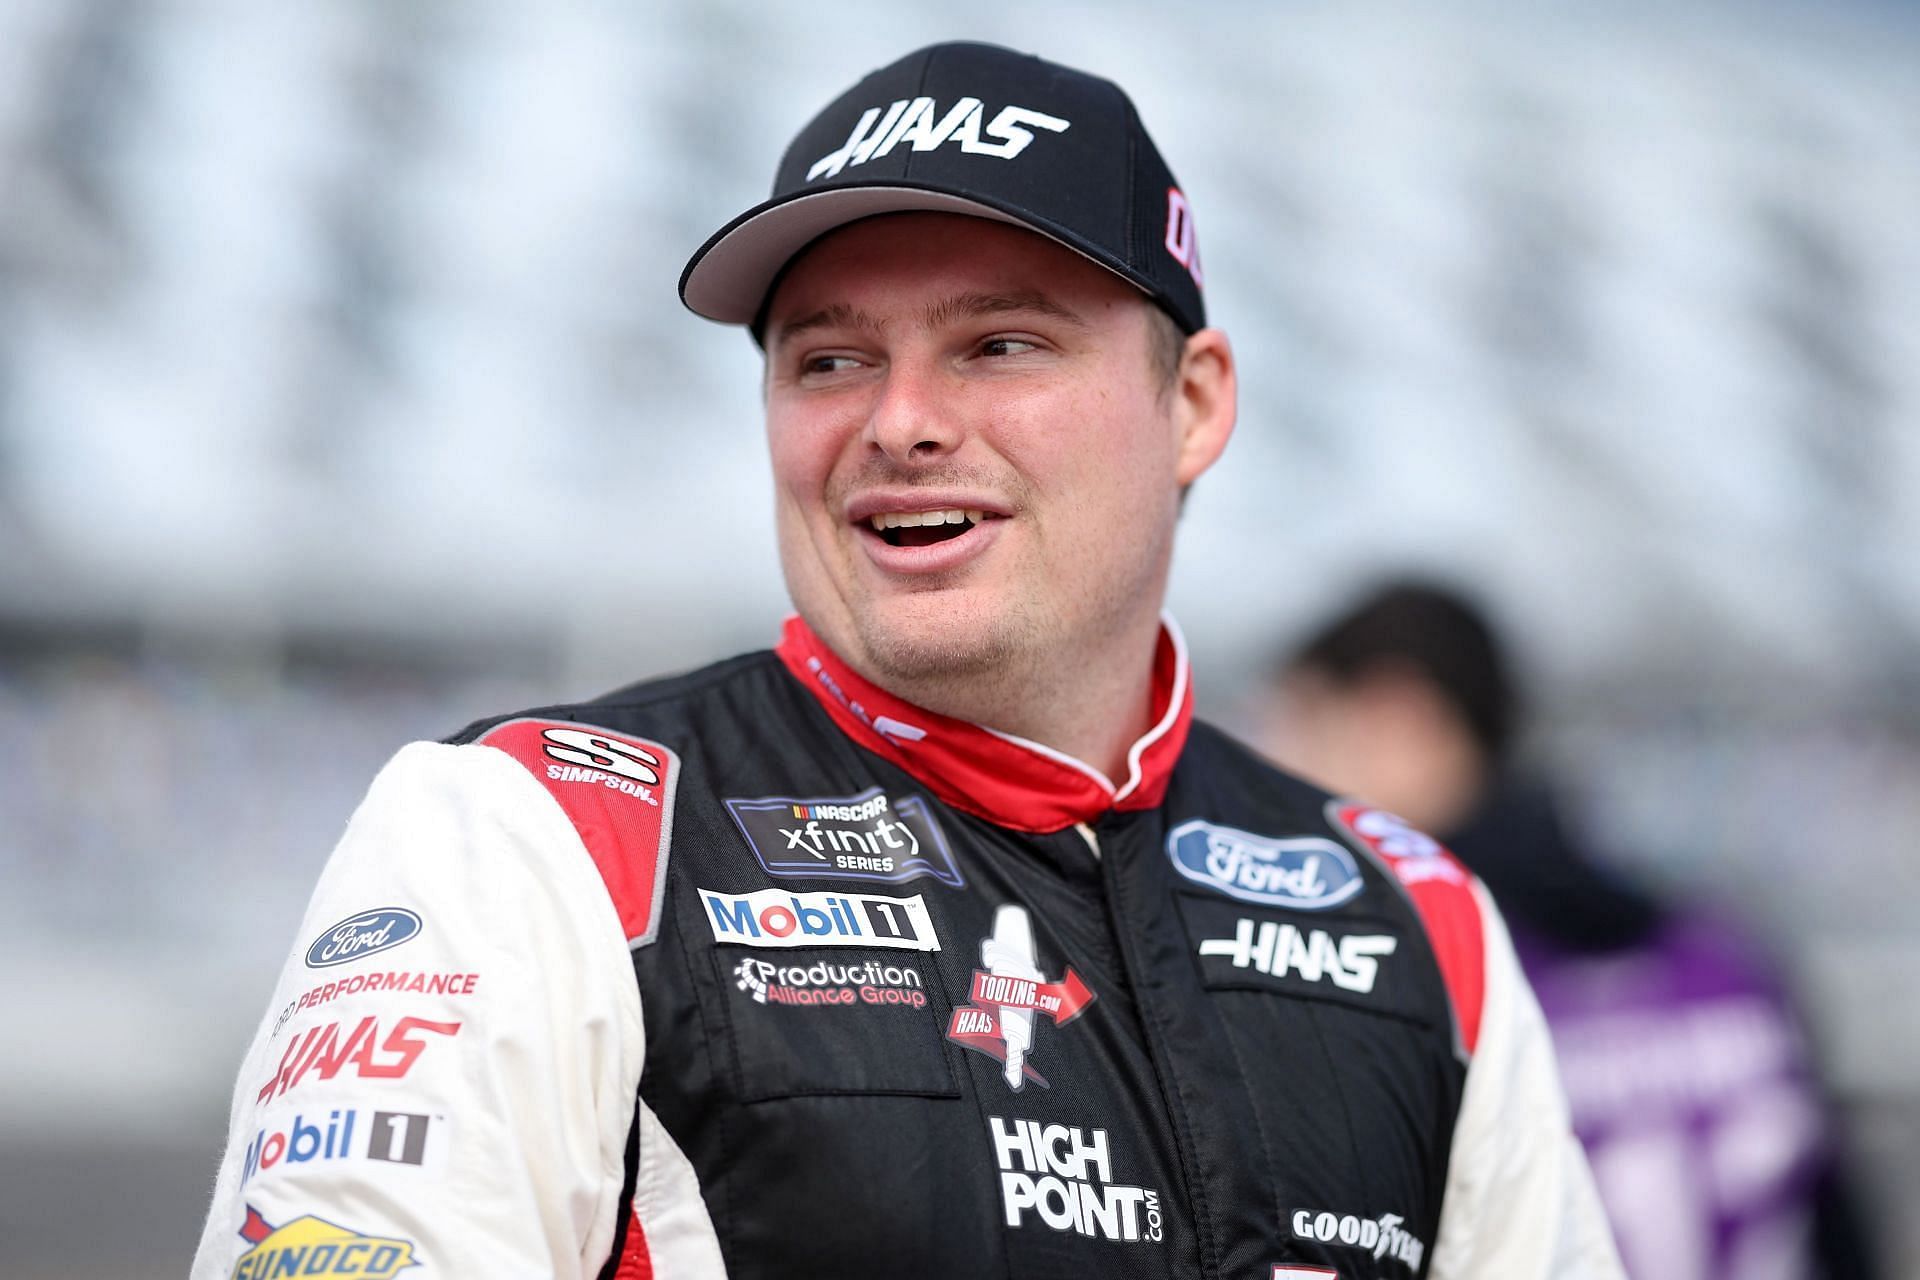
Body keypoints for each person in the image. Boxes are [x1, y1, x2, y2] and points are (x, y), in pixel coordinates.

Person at [191, 44, 1621, 1280]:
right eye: (828, 360)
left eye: (999, 344)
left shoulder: (1415, 917)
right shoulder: (534, 837)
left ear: (1191, 404)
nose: (902, 422)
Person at [1260, 580, 1878, 1280]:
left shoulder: (1419, 975)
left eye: (1301, 728)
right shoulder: (1725, 955)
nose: (1272, 775)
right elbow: (1844, 1232)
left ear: (1402, 722)